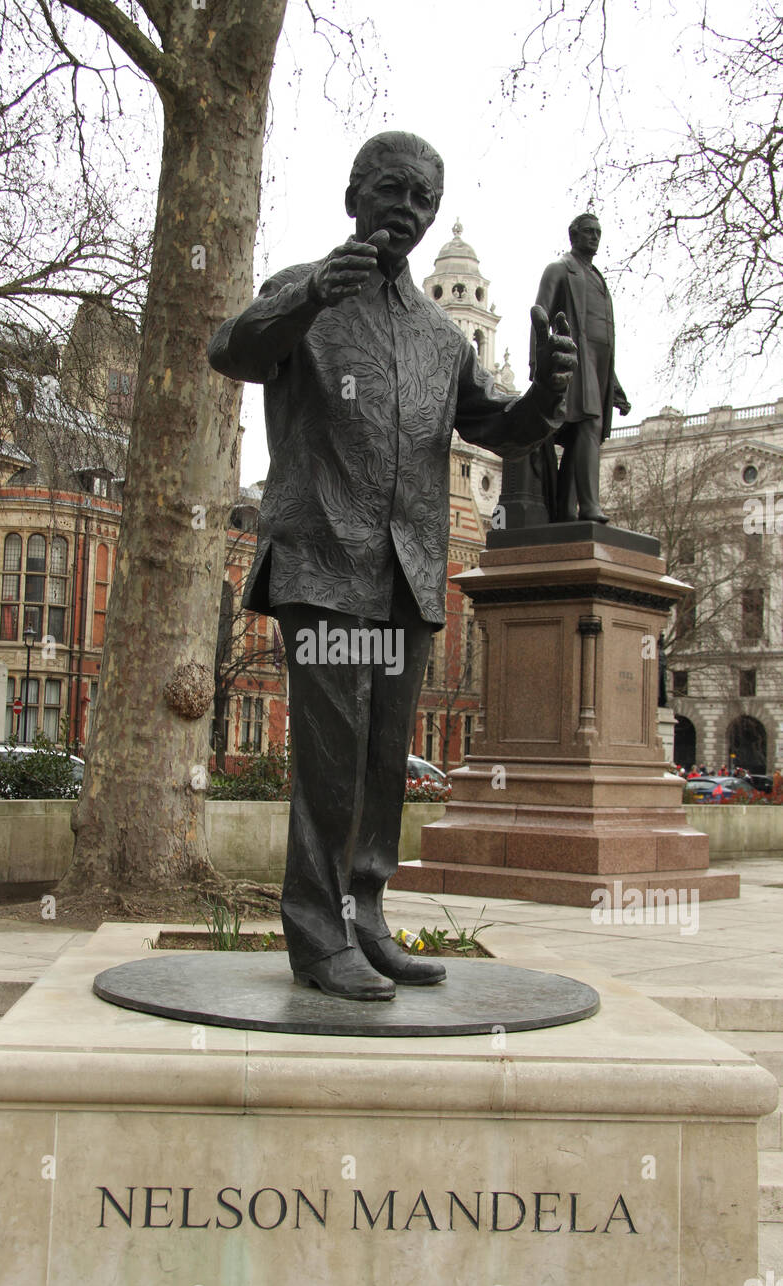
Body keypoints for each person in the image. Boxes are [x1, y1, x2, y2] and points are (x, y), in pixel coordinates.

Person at [209, 131, 576, 1001]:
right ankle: (312, 930)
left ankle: (365, 912)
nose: (407, 210)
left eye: (422, 198)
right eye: (391, 191)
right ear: (353, 198)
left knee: (384, 760)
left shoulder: (444, 341)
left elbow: (499, 428)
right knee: (330, 759)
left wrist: (547, 397)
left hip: (407, 576)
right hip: (323, 563)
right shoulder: (302, 293)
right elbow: (231, 349)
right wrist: (304, 297)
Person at [531, 213, 631, 522]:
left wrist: (612, 384)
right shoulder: (559, 270)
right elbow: (539, 315)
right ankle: (588, 506)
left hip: (598, 368)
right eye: (588, 232)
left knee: (585, 433)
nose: (594, 237)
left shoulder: (597, 278)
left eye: (598, 232)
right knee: (587, 426)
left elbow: (603, 342)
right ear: (573, 235)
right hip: (572, 361)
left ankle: (565, 510)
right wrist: (539, 365)